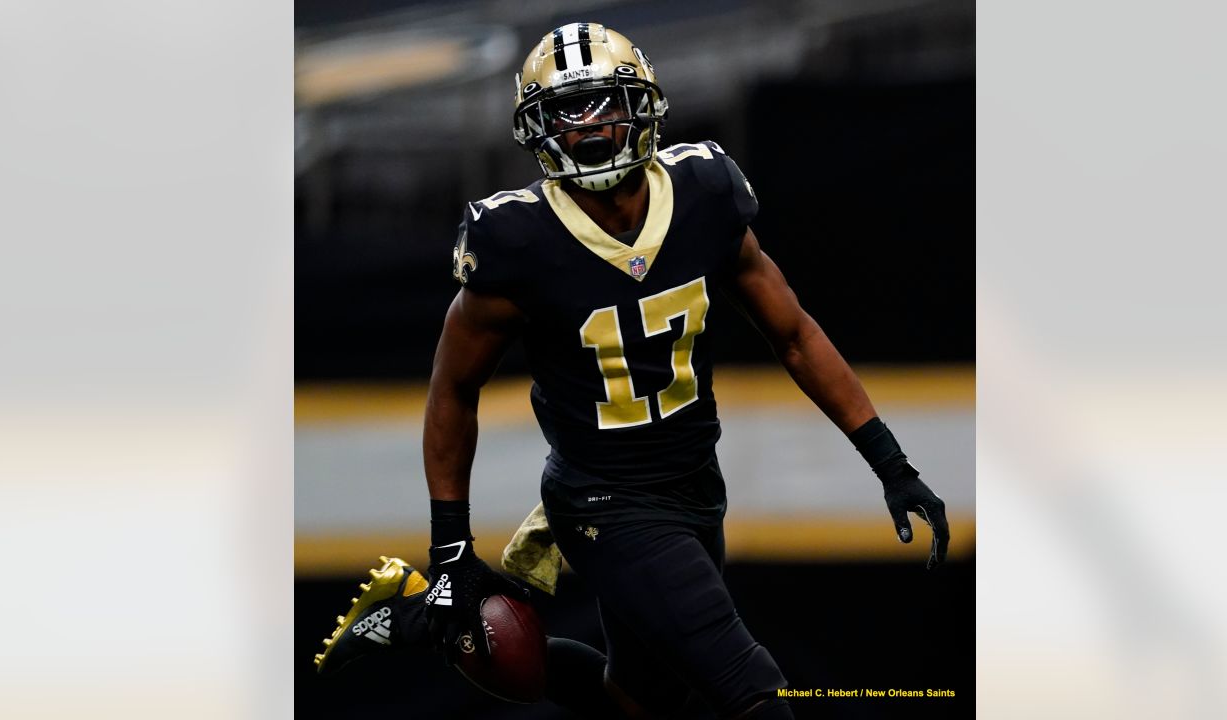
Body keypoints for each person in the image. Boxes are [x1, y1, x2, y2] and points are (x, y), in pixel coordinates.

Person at [315, 22, 949, 719]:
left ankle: (413, 621)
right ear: (536, 127)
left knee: (637, 704)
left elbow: (794, 334)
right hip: (604, 504)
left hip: (696, 486)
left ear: (641, 104)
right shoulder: (515, 240)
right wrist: (451, 547)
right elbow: (453, 392)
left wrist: (889, 461)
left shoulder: (704, 193)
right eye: (565, 111)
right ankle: (429, 612)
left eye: (602, 104)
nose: (587, 128)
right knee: (756, 696)